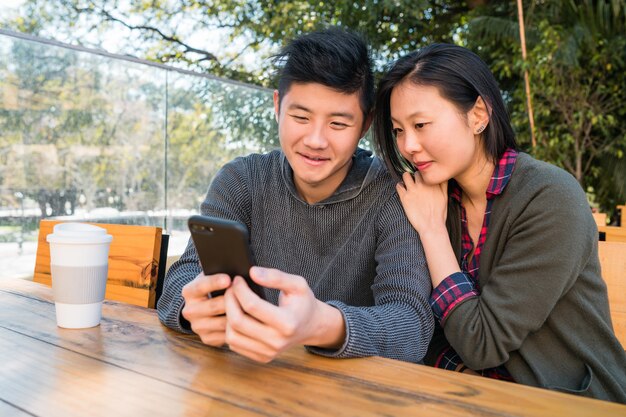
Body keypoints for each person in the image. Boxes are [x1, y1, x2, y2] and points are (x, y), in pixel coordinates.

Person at [158, 28, 434, 364]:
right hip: (247, 379)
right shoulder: (242, 180)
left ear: (365, 125)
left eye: (338, 124)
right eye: (300, 117)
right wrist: (196, 311)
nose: (315, 140)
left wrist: (323, 325)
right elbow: (179, 281)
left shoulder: (393, 195)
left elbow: (412, 325)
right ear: (277, 106)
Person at [373, 43, 626, 403]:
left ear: (477, 115)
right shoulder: (432, 199)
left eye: (420, 124)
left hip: (571, 402)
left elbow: (481, 342)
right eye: (398, 130)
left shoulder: (550, 198)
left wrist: (432, 233)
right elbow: (414, 321)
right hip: (474, 397)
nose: (408, 145)